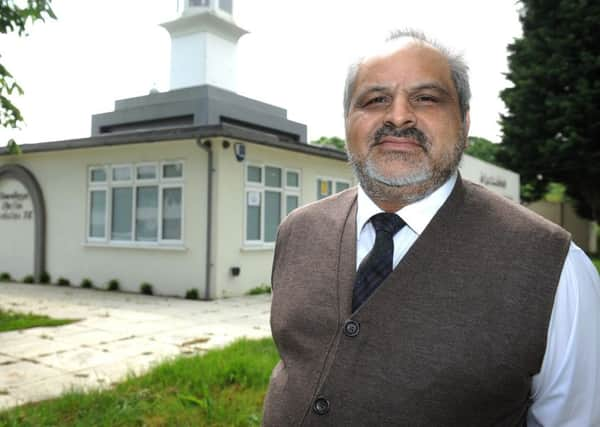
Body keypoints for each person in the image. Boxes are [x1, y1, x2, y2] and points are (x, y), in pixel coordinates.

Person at [262, 30, 600, 426]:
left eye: (426, 98)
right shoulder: (296, 232)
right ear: (347, 122)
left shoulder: (557, 269)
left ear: (465, 122)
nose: (398, 116)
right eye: (375, 100)